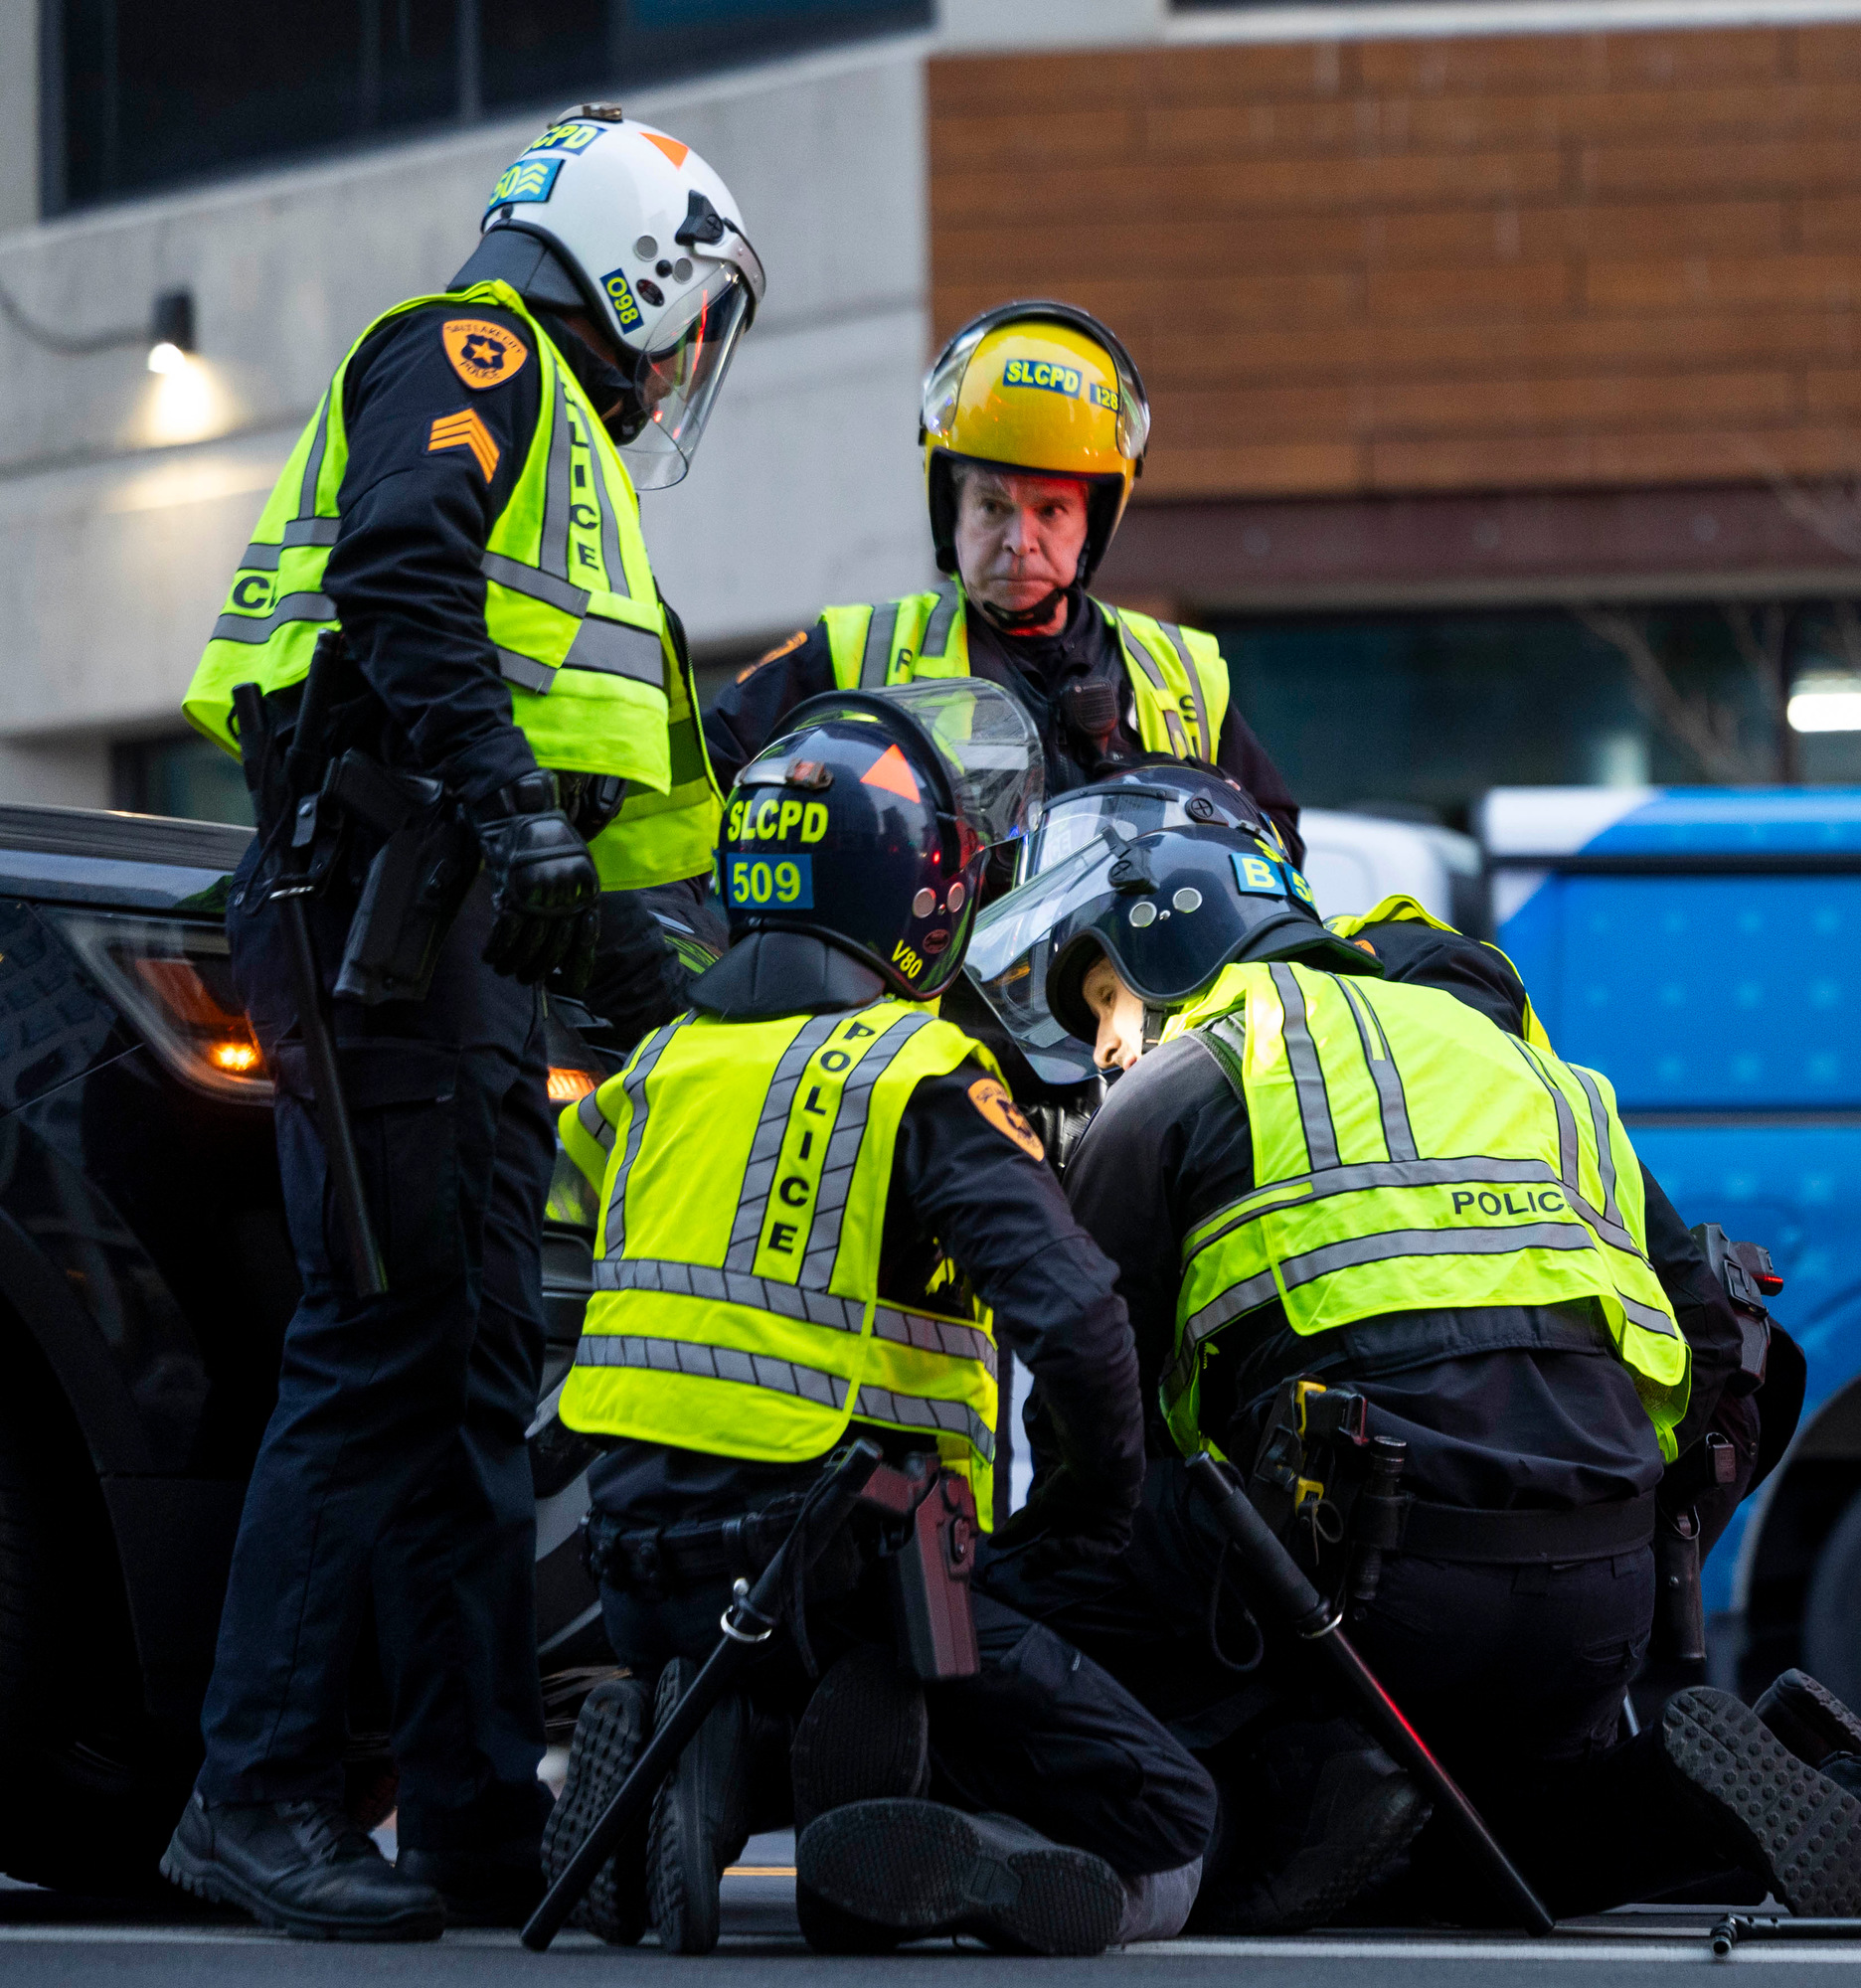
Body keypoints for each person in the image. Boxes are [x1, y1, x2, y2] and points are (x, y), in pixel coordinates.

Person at [164, 104, 761, 1939]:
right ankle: (249, 1799)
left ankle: (476, 1821)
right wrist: (503, 810)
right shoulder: (477, 350)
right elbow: (400, 578)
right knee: (377, 1358)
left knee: (474, 1376)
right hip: (383, 915)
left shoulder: (553, 439)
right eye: (695, 314)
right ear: (643, 264)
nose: (688, 365)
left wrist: (680, 990)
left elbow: (587, 814)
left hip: (460, 946)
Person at [967, 777, 1861, 1929]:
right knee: (1495, 1848)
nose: (1103, 1043)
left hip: (1356, 1588)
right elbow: (1714, 1329)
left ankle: (1295, 1782)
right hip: (1599, 1595)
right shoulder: (1529, 1065)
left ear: (1172, 936)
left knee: (997, 1599)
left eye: (1107, 997)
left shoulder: (1179, 1084)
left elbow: (1096, 1412)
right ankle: (1675, 1803)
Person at [544, 683, 1214, 1955]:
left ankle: (707, 1749)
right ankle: (915, 1849)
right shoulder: (914, 1073)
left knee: (829, 1660)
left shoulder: (647, 1076)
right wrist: (1089, 1506)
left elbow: (554, 1287)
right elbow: (1077, 1320)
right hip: (854, 1571)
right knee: (1174, 1811)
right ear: (916, 893)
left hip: (637, 1566)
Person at [705, 302, 1303, 863]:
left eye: (1050, 511)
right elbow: (704, 788)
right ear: (952, 512)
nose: (1020, 541)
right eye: (992, 507)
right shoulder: (853, 652)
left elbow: (1276, 848)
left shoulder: (1181, 671)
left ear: (1091, 523)